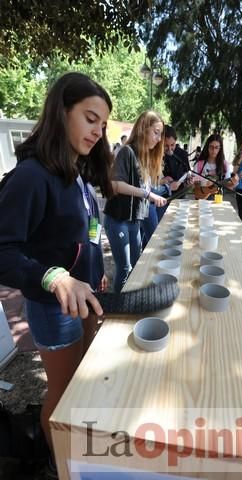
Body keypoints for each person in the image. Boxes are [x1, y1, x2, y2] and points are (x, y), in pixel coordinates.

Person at [0, 72, 113, 477]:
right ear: (61, 112)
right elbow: (4, 250)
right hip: (53, 306)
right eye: (90, 118)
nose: (98, 131)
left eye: (102, 124)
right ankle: (58, 464)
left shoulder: (75, 171)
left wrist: (95, 271)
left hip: (85, 298)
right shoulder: (31, 176)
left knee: (81, 384)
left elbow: (87, 228)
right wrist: (55, 278)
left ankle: (74, 451)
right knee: (64, 393)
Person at [103, 110, 167, 292]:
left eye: (160, 134)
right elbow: (115, 185)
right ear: (143, 129)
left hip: (134, 221)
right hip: (117, 220)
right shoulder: (126, 151)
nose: (159, 138)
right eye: (156, 132)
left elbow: (146, 188)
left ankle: (128, 299)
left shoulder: (146, 157)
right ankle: (118, 309)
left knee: (135, 267)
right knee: (124, 269)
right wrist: (148, 195)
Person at [162, 125, 190, 191]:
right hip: (161, 194)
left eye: (172, 145)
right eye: (166, 146)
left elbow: (187, 172)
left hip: (180, 193)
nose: (169, 149)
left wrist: (186, 180)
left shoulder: (182, 154)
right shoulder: (157, 155)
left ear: (176, 141)